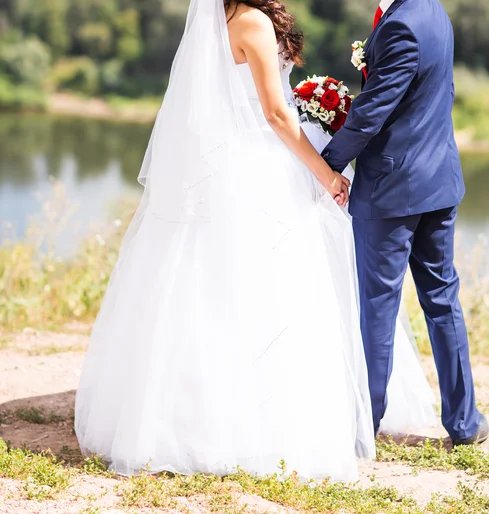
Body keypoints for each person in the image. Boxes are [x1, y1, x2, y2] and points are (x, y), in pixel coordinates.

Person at [75, 0, 437, 482]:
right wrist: (326, 172)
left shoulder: (220, 22)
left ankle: (180, 415)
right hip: (262, 171)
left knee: (203, 293)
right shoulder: (255, 23)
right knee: (273, 297)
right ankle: (258, 426)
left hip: (220, 171)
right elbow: (276, 115)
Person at [321, 0, 489, 446]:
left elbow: (372, 111)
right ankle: (465, 423)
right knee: (441, 298)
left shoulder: (401, 27)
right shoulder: (432, 11)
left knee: (377, 307)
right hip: (439, 179)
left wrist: (326, 165)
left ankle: (365, 424)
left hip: (393, 190)